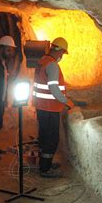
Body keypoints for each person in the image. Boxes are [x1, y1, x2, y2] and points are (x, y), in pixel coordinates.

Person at [32, 37, 75, 177]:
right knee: (51, 139)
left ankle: (45, 163)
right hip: (50, 108)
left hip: (41, 107)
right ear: (59, 50)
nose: (62, 56)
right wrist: (66, 102)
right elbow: (54, 89)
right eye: (62, 53)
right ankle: (45, 169)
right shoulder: (52, 65)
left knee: (44, 137)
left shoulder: (42, 61)